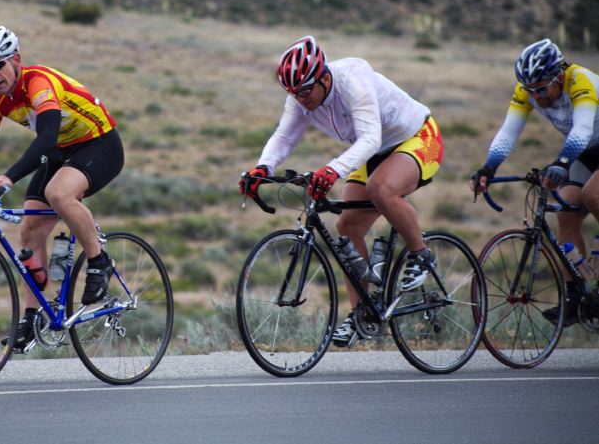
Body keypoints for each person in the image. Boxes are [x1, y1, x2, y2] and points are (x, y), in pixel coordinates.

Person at [239, 36, 444, 347]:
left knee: (380, 189)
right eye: (293, 93)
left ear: (322, 76)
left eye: (305, 91)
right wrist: (262, 169)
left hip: (416, 137)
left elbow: (370, 139)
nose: (300, 99)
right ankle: (362, 312)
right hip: (371, 152)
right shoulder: (300, 97)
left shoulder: (353, 82)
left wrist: (333, 169)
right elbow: (284, 137)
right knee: (347, 226)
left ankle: (422, 255)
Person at [0, 26, 124, 351]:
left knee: (59, 194)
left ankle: (99, 261)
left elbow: (47, 136)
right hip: (60, 152)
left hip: (99, 145)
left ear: (16, 60)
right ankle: (31, 317)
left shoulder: (39, 83)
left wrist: (9, 177)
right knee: (30, 231)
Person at [469, 38, 599, 326]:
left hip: (585, 143)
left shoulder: (580, 81)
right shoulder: (526, 91)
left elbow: (582, 130)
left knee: (593, 196)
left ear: (559, 76)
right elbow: (508, 133)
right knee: (566, 212)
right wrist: (488, 168)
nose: (536, 96)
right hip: (589, 152)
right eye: (530, 90)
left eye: (542, 88)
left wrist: (561, 163)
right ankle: (576, 296)